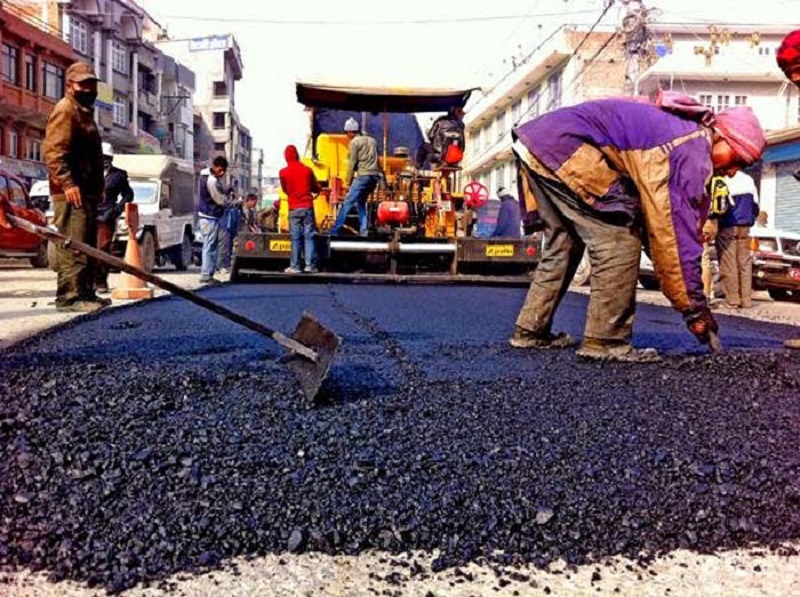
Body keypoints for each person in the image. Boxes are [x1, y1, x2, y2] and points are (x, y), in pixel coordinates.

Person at [508, 92, 766, 362]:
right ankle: (605, 341)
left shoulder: (680, 133)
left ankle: (530, 330)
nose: (733, 171)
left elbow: (659, 232)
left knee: (564, 243)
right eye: (737, 159)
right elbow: (674, 238)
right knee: (619, 239)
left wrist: (682, 289)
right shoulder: (691, 148)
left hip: (539, 140)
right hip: (565, 147)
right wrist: (694, 310)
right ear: (721, 136)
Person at [42, 62, 107, 313]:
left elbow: (93, 156)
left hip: (86, 191)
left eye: (91, 84)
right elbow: (54, 153)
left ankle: (86, 292)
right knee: (73, 244)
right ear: (70, 85)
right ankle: (69, 297)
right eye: (83, 85)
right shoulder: (65, 110)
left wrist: (98, 187)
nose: (89, 89)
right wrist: (67, 183)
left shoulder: (84, 112)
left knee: (86, 245)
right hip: (70, 192)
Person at [715, 170, 760, 310]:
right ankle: (746, 300)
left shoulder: (722, 180)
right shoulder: (748, 179)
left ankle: (732, 300)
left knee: (729, 263)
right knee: (744, 264)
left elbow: (718, 205)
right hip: (745, 226)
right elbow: (756, 207)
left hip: (728, 225)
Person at [329, 118, 381, 236]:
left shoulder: (354, 142)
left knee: (348, 202)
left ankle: (335, 230)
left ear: (350, 132)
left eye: (346, 133)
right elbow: (378, 161)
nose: (346, 136)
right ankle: (363, 231)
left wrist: (348, 180)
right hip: (374, 178)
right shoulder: (373, 141)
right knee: (361, 202)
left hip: (363, 176)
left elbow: (352, 163)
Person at [95, 142, 133, 293]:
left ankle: (101, 281)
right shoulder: (89, 172)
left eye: (107, 157)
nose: (104, 160)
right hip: (89, 215)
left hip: (106, 217)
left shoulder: (119, 175)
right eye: (102, 157)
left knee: (102, 248)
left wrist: (116, 210)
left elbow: (128, 195)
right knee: (86, 248)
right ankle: (88, 282)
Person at [280, 144, 320, 273]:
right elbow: (315, 188)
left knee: (295, 237)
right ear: (297, 155)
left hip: (293, 208)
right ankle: (310, 266)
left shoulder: (283, 173)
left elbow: (285, 189)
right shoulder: (307, 170)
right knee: (309, 236)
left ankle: (295, 266)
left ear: (286, 157)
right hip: (307, 206)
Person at [196, 155, 229, 285]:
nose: (222, 174)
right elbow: (220, 200)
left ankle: (208, 273)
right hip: (209, 216)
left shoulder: (204, 175)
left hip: (206, 216)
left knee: (209, 245)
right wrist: (228, 201)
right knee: (210, 246)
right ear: (218, 168)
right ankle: (206, 275)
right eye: (221, 171)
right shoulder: (211, 180)